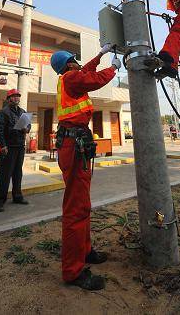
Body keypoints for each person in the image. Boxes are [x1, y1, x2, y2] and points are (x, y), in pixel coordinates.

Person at [50, 44, 121, 291]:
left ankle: (86, 251)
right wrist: (113, 68)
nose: (79, 63)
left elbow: (88, 69)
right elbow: (93, 78)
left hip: (75, 143)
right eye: (75, 61)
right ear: (69, 64)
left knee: (83, 205)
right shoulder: (72, 78)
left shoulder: (70, 78)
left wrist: (101, 54)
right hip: (73, 144)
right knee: (76, 208)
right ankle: (73, 271)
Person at [0, 89, 31, 212]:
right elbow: (0, 130)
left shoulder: (22, 112)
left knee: (17, 173)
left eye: (17, 96)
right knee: (5, 174)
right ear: (8, 99)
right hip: (8, 147)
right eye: (13, 96)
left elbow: (28, 125)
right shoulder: (3, 112)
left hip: (20, 146)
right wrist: (2, 145)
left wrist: (26, 128)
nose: (16, 98)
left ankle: (17, 196)